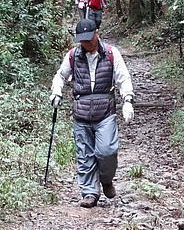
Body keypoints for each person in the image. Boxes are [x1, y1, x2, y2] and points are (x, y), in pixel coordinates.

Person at [49, 18, 134, 208]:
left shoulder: (111, 53)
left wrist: (127, 99)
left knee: (107, 152)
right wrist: (56, 91)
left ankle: (106, 180)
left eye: (89, 38)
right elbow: (60, 75)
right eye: (82, 40)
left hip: (105, 113)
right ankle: (89, 193)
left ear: (97, 33)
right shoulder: (73, 56)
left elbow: (123, 78)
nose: (86, 43)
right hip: (81, 113)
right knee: (84, 155)